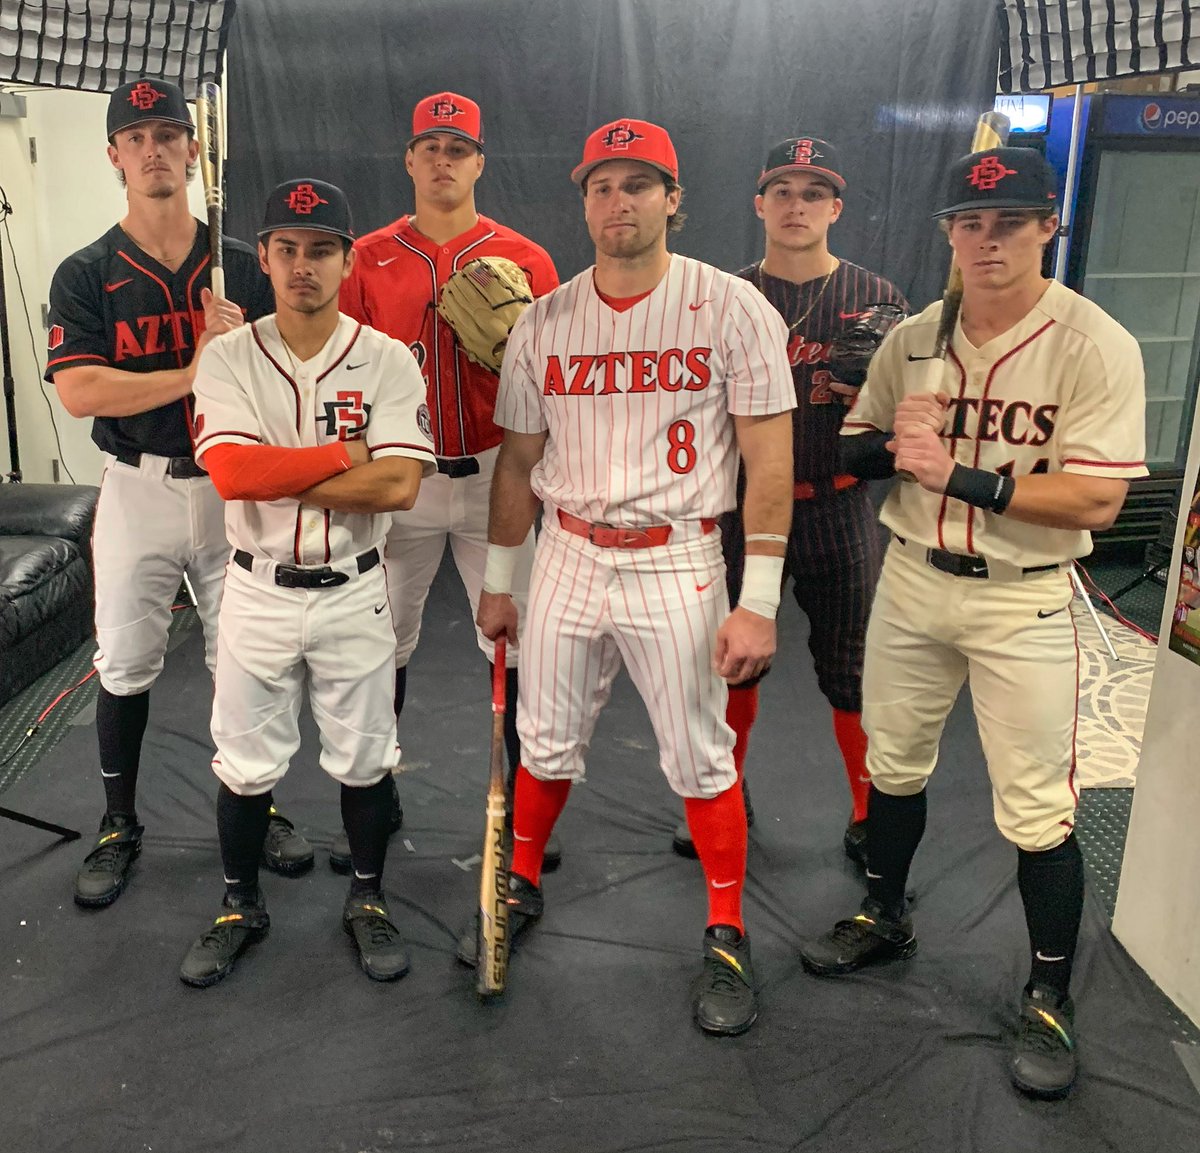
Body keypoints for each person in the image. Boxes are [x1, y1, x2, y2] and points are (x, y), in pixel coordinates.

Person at [798, 146, 1146, 1099]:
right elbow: (859, 446)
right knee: (893, 764)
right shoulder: (914, 335)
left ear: (1048, 227)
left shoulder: (1095, 342)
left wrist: (960, 472)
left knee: (1037, 806)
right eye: (969, 222)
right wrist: (885, 447)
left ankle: (1047, 990)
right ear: (948, 230)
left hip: (1021, 595)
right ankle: (884, 914)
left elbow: (1097, 504)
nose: (987, 240)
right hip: (911, 578)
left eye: (1009, 222)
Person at [457, 118, 796, 1036]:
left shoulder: (732, 308)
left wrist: (758, 601)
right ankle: (519, 881)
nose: (619, 202)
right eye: (602, 186)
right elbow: (519, 461)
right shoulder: (546, 319)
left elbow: (769, 461)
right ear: (584, 201)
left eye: (639, 184)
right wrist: (500, 579)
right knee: (547, 732)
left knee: (698, 749)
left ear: (673, 199)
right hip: (566, 549)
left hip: (677, 551)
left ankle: (726, 926)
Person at [46, 78, 312, 910]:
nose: (154, 148)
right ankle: (120, 821)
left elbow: (293, 374)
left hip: (235, 490)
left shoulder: (244, 264)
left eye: (169, 132)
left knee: (248, 659)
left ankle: (254, 802)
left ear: (195, 150)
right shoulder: (86, 271)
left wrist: (246, 355)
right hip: (138, 488)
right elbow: (83, 390)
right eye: (138, 137)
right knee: (125, 663)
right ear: (115, 156)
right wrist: (195, 370)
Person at [179, 179, 436, 987]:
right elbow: (229, 475)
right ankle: (238, 904)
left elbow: (398, 489)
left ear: (347, 260)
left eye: (321, 248)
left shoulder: (389, 358)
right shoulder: (226, 357)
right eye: (286, 248)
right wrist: (346, 454)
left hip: (354, 585)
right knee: (245, 763)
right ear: (262, 258)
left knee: (365, 759)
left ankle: (366, 897)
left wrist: (277, 473)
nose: (302, 265)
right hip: (255, 589)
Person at [668, 136, 908, 867]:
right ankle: (725, 794)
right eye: (783, 191)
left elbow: (913, 415)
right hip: (742, 510)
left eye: (812, 193)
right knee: (732, 661)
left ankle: (868, 814)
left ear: (834, 207)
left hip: (839, 505)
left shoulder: (879, 299)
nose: (796, 205)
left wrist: (880, 404)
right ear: (759, 204)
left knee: (853, 669)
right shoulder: (723, 298)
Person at [337, 91, 560, 874]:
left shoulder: (526, 257)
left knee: (518, 640)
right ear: (408, 159)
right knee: (380, 641)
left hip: (501, 471)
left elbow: (552, 385)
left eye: (456, 148)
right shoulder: (364, 258)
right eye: (429, 146)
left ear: (479, 163)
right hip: (405, 475)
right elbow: (344, 373)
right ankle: (377, 794)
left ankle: (525, 809)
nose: (442, 159)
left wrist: (511, 358)